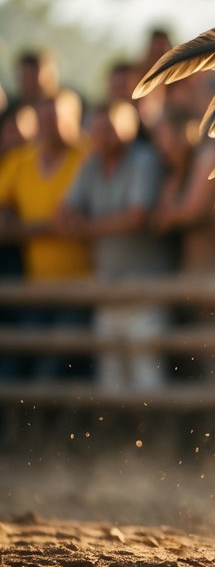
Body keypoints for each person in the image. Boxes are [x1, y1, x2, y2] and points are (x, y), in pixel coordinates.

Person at [58, 102, 170, 391]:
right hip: (107, 285)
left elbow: (136, 216)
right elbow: (63, 210)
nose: (101, 135)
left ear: (129, 128)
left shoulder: (144, 159)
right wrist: (78, 221)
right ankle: (117, 436)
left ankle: (155, 435)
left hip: (145, 286)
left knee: (148, 374)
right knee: (111, 376)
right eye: (95, 129)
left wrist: (85, 227)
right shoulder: (90, 164)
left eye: (108, 128)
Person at [0, 94, 91, 380]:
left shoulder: (89, 156)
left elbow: (83, 219)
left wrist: (23, 229)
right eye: (43, 119)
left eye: (55, 118)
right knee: (25, 364)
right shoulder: (20, 160)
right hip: (36, 288)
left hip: (81, 287)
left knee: (53, 370)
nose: (48, 126)